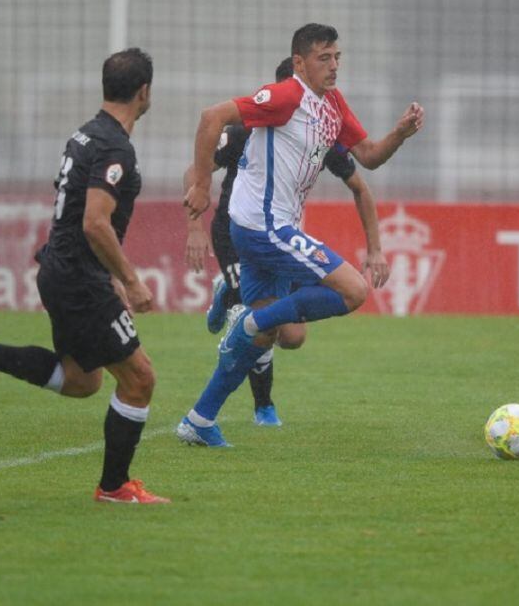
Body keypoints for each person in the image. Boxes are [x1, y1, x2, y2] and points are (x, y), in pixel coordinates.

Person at [0, 48, 169, 504]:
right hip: (76, 278)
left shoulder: (86, 135)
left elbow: (76, 216)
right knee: (140, 380)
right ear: (144, 92)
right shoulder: (114, 147)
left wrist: (106, 274)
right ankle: (114, 487)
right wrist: (130, 280)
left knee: (81, 380)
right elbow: (94, 222)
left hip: (63, 269)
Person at [178, 23, 424, 447]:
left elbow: (369, 157)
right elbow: (210, 117)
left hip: (267, 227)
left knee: (279, 335)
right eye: (323, 58)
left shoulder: (332, 105)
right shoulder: (287, 96)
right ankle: (248, 319)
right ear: (299, 63)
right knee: (353, 291)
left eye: (336, 57)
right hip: (263, 226)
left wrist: (400, 134)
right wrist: (200, 185)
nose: (333, 66)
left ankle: (199, 419)